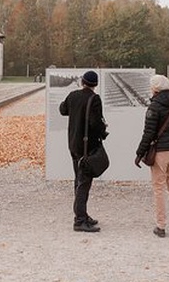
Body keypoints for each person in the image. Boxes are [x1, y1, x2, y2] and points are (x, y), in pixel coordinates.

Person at [135, 74, 169, 239]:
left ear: (155, 89)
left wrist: (139, 153)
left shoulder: (155, 107)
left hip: (161, 152)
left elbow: (149, 133)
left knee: (159, 188)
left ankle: (160, 226)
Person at [59, 70, 108, 232]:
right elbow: (95, 123)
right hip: (87, 147)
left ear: (83, 82)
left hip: (73, 144)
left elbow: (62, 110)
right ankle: (79, 220)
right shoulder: (94, 99)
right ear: (95, 85)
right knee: (84, 182)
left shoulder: (73, 96)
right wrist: (103, 131)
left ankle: (82, 214)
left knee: (79, 180)